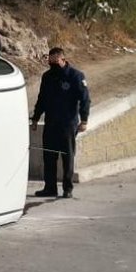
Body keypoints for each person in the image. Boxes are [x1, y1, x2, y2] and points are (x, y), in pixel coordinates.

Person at [30, 47, 91, 199]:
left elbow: (85, 99)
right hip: (51, 123)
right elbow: (42, 99)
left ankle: (67, 188)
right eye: (50, 61)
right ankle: (49, 188)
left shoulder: (76, 76)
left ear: (63, 59)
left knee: (67, 157)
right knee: (49, 157)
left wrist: (84, 120)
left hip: (68, 124)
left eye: (56, 61)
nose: (53, 64)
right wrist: (36, 118)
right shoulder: (47, 77)